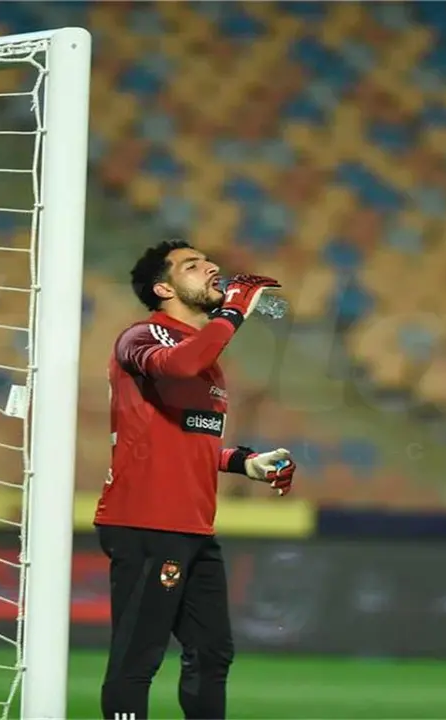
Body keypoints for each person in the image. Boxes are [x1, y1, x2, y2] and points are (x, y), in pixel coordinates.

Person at [95, 240, 297, 719]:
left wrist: (244, 463)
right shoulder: (142, 336)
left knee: (212, 653)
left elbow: (187, 442)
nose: (211, 267)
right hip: (145, 521)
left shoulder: (208, 363)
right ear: (163, 288)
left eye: (208, 261)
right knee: (137, 658)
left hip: (193, 527)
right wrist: (233, 312)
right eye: (192, 265)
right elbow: (178, 365)